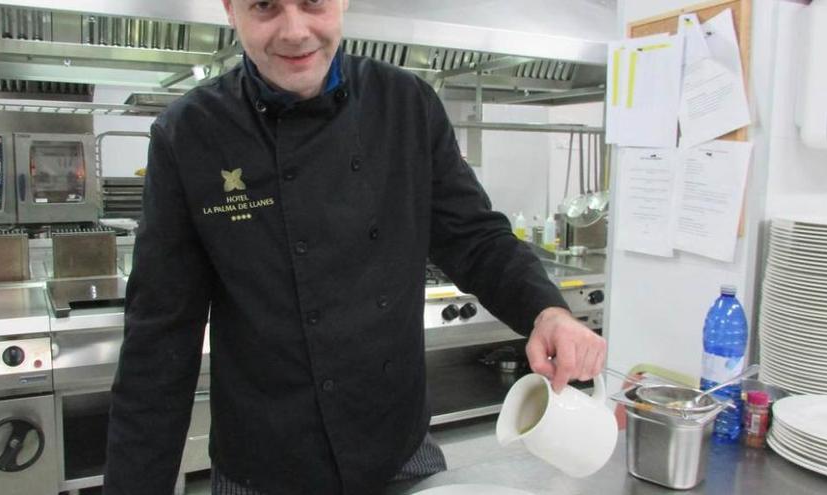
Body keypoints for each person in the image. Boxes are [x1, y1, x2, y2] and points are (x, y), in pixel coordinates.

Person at [104, 1, 607, 494]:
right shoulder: (189, 133)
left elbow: (473, 236)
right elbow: (160, 337)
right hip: (262, 465)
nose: (295, 30)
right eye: (265, 7)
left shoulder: (406, 104)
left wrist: (547, 311)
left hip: (400, 450)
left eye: (312, 3)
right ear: (230, 10)